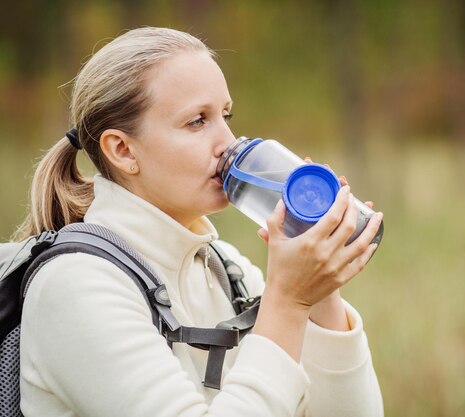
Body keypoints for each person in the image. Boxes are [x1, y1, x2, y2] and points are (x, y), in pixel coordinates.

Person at [15, 27, 384, 417]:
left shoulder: (226, 267)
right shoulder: (76, 286)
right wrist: (288, 301)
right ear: (123, 151)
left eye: (226, 115)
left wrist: (319, 289)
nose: (228, 140)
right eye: (197, 121)